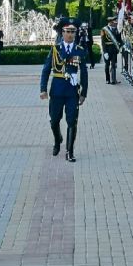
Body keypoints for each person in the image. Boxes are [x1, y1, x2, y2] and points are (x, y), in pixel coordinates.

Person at [40, 20, 88, 162]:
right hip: (57, 90)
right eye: (68, 31)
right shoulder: (55, 49)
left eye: (73, 32)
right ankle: (57, 139)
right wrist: (43, 89)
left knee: (72, 121)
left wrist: (84, 93)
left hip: (72, 91)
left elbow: (84, 73)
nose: (70, 34)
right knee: (54, 120)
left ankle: (69, 151)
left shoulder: (79, 50)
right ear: (63, 33)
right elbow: (46, 70)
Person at [101, 15, 122, 84]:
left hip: (114, 49)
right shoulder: (104, 30)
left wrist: (121, 45)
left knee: (113, 65)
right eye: (113, 22)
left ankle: (113, 80)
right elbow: (103, 42)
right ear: (110, 22)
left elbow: (119, 40)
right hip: (107, 49)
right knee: (107, 65)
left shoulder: (116, 29)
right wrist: (105, 52)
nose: (115, 23)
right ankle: (107, 79)